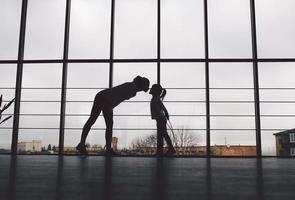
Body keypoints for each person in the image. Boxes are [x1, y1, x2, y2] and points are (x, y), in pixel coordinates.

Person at [77, 76, 150, 156]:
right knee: (104, 123)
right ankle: (107, 149)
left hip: (104, 98)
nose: (142, 90)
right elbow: (118, 96)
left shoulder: (132, 88)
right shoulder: (131, 86)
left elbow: (117, 96)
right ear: (141, 85)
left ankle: (83, 144)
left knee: (94, 121)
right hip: (105, 99)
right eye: (143, 87)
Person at [149, 84, 176, 156]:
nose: (150, 89)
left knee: (162, 134)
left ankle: (164, 150)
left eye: (152, 88)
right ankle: (166, 149)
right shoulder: (156, 98)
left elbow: (163, 108)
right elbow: (164, 108)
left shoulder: (156, 98)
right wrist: (166, 115)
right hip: (161, 118)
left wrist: (166, 114)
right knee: (163, 134)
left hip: (160, 118)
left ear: (155, 91)